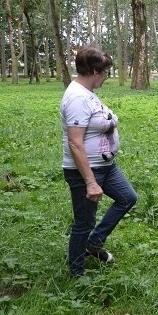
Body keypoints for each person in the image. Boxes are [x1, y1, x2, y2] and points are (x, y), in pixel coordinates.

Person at [60, 45, 138, 277]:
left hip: (106, 166)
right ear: (94, 71)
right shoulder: (76, 97)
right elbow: (75, 142)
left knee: (127, 198)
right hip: (87, 170)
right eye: (105, 72)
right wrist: (91, 182)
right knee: (83, 223)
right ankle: (77, 275)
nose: (106, 77)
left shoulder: (87, 94)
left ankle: (93, 243)